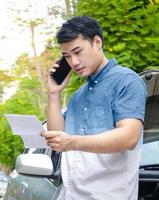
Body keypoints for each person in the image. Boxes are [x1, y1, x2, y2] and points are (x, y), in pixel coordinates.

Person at [40, 16, 147, 200]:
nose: (73, 62)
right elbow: (59, 138)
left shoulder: (127, 81)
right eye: (67, 56)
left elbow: (129, 137)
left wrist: (73, 142)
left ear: (97, 42)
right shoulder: (77, 96)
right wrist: (53, 94)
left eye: (77, 52)